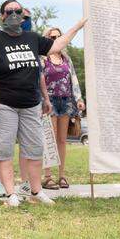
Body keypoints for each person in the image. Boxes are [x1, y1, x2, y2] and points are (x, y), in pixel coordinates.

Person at [0, 0, 85, 206]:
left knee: (35, 149)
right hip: (3, 104)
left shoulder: (32, 39)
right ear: (2, 15)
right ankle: (11, 194)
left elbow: (57, 46)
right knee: (5, 149)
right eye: (10, 11)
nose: (15, 15)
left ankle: (36, 191)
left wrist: (78, 25)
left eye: (18, 11)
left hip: (30, 104)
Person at [39, 27, 84, 190]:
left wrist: (78, 98)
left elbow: (73, 78)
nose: (55, 39)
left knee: (62, 140)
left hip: (65, 101)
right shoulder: (43, 59)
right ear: (46, 39)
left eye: (58, 37)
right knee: (49, 139)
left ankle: (62, 175)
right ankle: (48, 177)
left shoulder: (66, 59)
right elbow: (39, 79)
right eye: (51, 37)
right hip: (49, 102)